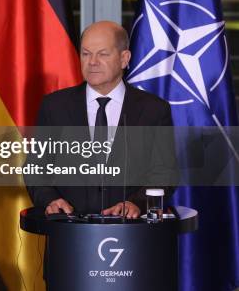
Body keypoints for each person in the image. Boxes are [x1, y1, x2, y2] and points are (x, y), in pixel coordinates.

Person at [26, 20, 176, 218]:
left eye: (103, 54)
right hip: (68, 233)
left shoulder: (154, 110)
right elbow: (36, 168)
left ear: (124, 58)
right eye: (86, 54)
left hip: (131, 234)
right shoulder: (55, 106)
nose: (92, 62)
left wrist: (136, 203)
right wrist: (50, 200)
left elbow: (164, 173)